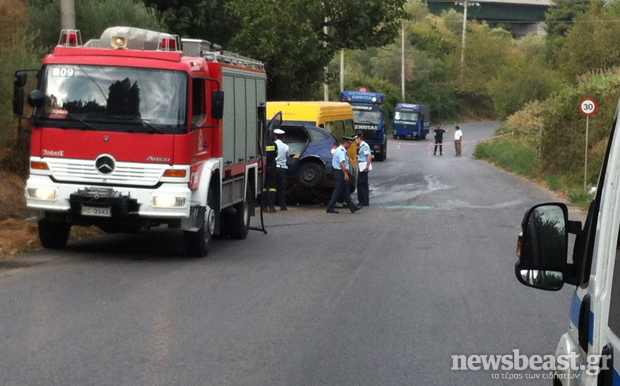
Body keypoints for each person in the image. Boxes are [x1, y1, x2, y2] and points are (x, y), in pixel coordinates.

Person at [326, 136, 362, 214]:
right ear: (346, 143)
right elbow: (342, 163)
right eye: (350, 144)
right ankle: (330, 207)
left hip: (339, 171)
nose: (350, 146)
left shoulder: (339, 149)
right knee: (338, 191)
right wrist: (346, 174)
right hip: (340, 172)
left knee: (346, 191)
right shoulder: (341, 151)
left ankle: (352, 207)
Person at [355, 130, 372, 206]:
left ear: (359, 138)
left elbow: (369, 156)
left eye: (355, 139)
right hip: (362, 166)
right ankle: (365, 200)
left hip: (363, 166)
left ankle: (362, 201)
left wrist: (367, 166)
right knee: (363, 183)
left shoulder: (364, 146)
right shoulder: (362, 146)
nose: (355, 141)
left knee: (361, 184)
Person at [274, 128, 290, 211]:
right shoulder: (286, 147)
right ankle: (282, 205)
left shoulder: (272, 144)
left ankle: (270, 205)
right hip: (282, 169)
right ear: (282, 137)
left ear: (275, 136)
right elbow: (288, 156)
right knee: (281, 187)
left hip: (273, 168)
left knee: (272, 187)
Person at [262, 130, 278, 213]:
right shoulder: (274, 144)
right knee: (272, 188)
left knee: (264, 188)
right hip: (272, 167)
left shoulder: (261, 144)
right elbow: (276, 155)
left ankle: (264, 207)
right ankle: (271, 207)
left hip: (263, 167)